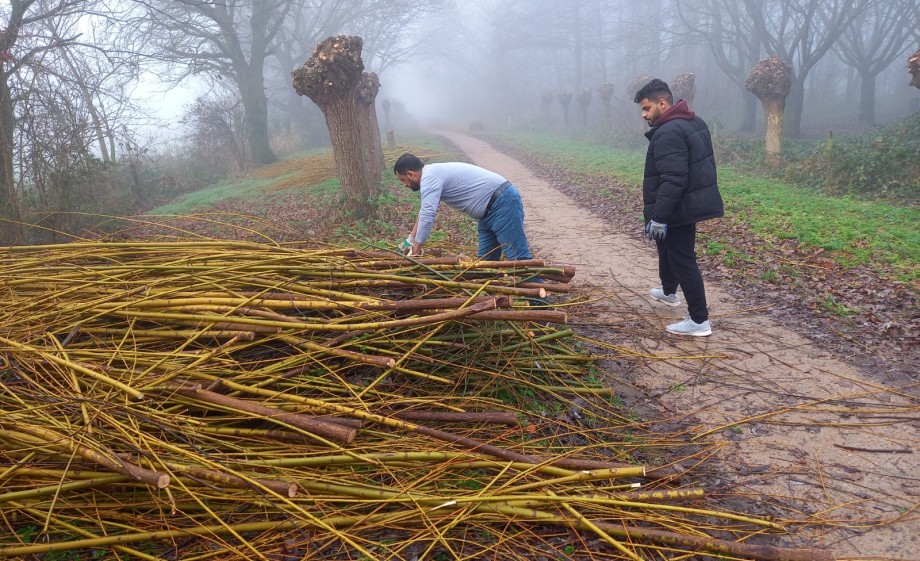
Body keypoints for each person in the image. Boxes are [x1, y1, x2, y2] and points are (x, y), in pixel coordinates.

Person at [634, 78, 724, 337]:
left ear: (662, 103)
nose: (644, 114)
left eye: (647, 108)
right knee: (667, 249)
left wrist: (660, 217)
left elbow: (673, 178)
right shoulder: (692, 122)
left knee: (683, 259)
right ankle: (669, 291)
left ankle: (699, 320)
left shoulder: (669, 132)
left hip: (678, 208)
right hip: (687, 203)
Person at [393, 153, 534, 261]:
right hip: (489, 212)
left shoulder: (430, 178)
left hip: (502, 204)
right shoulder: (431, 174)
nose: (404, 185)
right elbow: (424, 211)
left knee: (518, 259)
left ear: (411, 174)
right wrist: (410, 240)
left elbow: (428, 215)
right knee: (486, 265)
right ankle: (492, 298)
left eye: (403, 180)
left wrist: (416, 249)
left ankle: (538, 299)